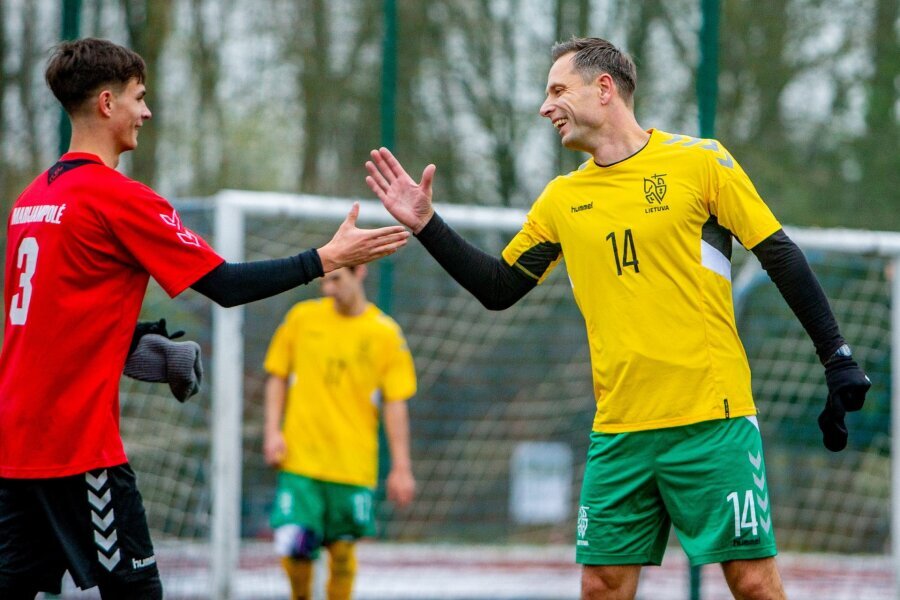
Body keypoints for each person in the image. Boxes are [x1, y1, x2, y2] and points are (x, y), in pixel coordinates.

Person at [364, 37, 871, 600]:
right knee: (601, 585)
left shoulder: (700, 162)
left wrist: (836, 356)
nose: (544, 106)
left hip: (711, 418)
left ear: (603, 89)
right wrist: (427, 223)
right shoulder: (561, 200)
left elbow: (779, 255)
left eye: (557, 90)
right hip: (619, 430)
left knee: (752, 581)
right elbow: (498, 288)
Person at [0, 38, 409, 600]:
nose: (146, 112)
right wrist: (326, 258)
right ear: (105, 103)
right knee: (138, 592)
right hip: (76, 447)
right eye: (139, 98)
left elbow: (47, 321)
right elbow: (223, 284)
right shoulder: (118, 197)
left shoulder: (29, 200)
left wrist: (131, 340)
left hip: (15, 444)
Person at [263, 264, 416, 600]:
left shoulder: (385, 334)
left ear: (359, 272)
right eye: (324, 281)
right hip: (300, 461)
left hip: (352, 465)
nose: (328, 289)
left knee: (343, 552)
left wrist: (401, 467)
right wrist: (272, 431)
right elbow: (277, 375)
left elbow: (395, 403)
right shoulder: (302, 318)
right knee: (295, 547)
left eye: (336, 279)